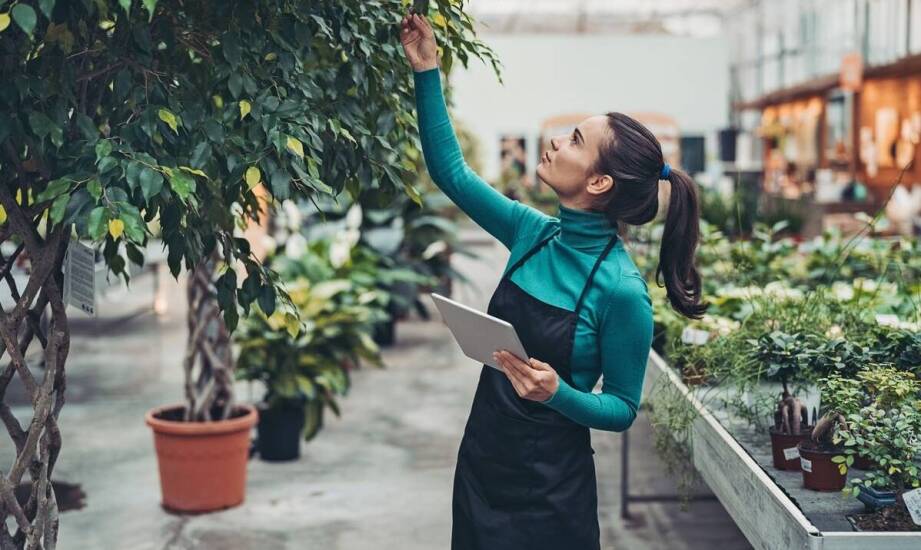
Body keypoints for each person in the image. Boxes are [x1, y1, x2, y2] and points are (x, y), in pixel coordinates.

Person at [399, 11, 706, 550]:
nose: (555, 142)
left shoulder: (621, 292)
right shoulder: (530, 232)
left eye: (574, 140)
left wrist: (558, 393)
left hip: (551, 495)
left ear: (599, 180)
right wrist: (427, 70)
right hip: (481, 462)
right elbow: (450, 172)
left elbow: (622, 409)